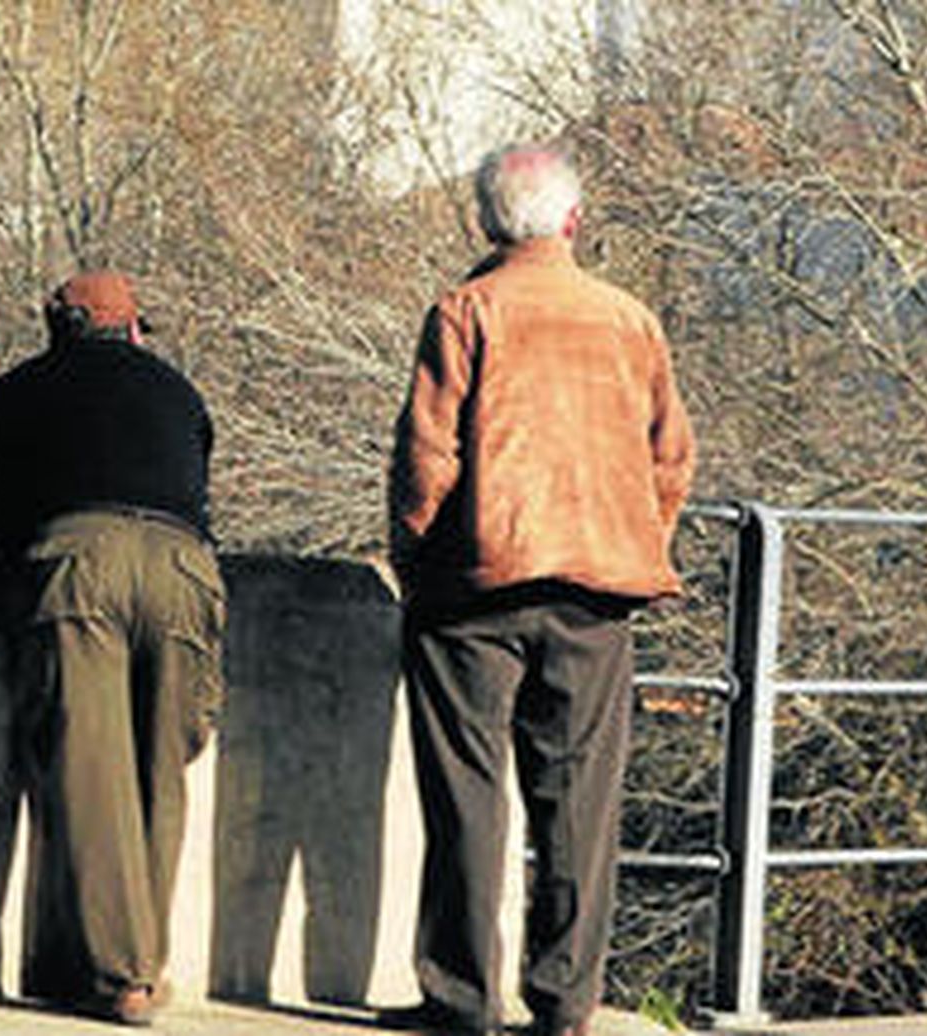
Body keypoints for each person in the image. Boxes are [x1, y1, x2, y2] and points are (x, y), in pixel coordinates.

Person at [387, 145, 696, 1036]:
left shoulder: (465, 310)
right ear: (574, 221)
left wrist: (416, 559)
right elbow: (671, 457)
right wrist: (638, 539)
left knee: (466, 796)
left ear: (486, 222)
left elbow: (426, 459)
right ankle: (566, 1004)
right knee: (579, 804)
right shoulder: (630, 319)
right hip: (596, 591)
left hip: (473, 590)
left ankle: (461, 1000)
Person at [0, 271, 225, 1026]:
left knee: (89, 773)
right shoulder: (179, 392)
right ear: (134, 329)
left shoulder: (20, 390)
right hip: (184, 568)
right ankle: (123, 962)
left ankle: (121, 974)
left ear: (59, 327)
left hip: (80, 562)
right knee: (158, 771)